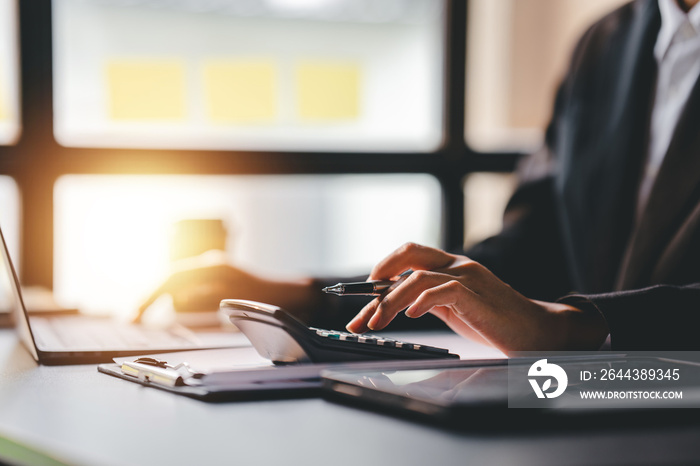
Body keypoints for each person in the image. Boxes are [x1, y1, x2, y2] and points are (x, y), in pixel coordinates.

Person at [137, 0, 700, 354]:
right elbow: (532, 251)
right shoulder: (606, 43)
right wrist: (309, 296)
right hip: (592, 410)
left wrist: (569, 328)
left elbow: (548, 316)